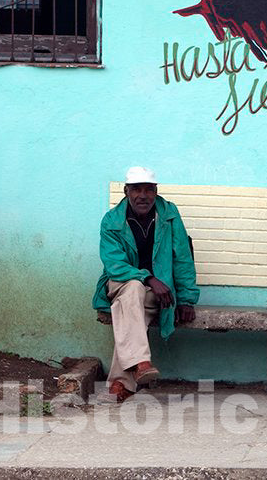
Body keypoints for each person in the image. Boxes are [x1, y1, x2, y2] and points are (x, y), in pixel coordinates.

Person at [92, 166, 199, 402]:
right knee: (133, 288)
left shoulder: (169, 214)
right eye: (136, 189)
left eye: (149, 189)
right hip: (120, 284)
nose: (143, 195)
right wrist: (149, 278)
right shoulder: (112, 221)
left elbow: (182, 256)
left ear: (156, 191)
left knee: (132, 307)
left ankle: (122, 383)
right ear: (126, 191)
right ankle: (141, 361)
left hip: (154, 294)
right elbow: (115, 265)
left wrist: (187, 298)